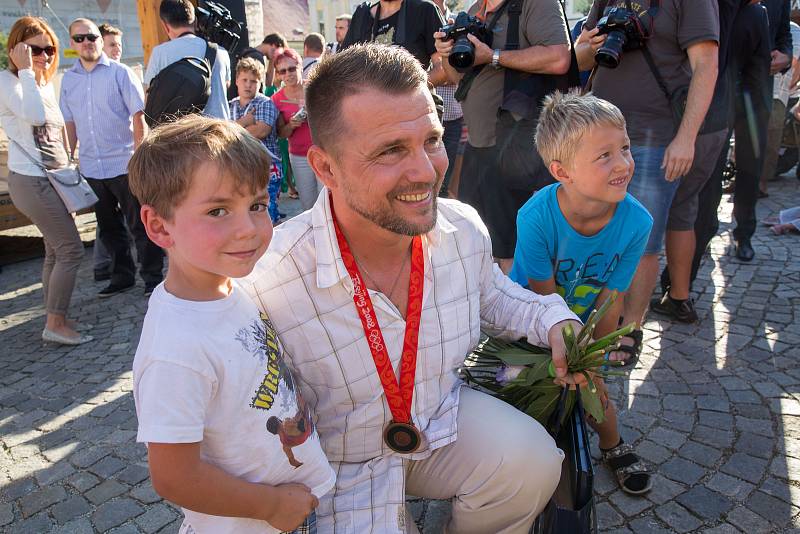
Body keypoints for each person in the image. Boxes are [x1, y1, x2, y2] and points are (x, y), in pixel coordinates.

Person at [243, 43, 582, 534]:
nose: (426, 171)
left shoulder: (461, 227)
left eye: (432, 139)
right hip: (337, 465)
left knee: (531, 462)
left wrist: (552, 318)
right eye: (390, 150)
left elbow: (493, 295)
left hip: (436, 420)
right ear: (325, 169)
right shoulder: (270, 278)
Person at [129, 115, 335, 534]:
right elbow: (174, 476)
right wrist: (272, 505)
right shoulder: (176, 349)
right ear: (158, 226)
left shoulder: (232, 287)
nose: (248, 229)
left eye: (257, 205)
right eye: (218, 210)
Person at [510, 91, 653, 494]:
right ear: (562, 171)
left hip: (583, 324)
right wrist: (562, 350)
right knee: (518, 386)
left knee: (591, 385)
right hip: (531, 318)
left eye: (624, 148)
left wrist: (593, 355)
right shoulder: (535, 217)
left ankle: (613, 444)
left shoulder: (636, 222)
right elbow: (543, 296)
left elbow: (612, 297)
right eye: (604, 156)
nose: (624, 163)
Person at [575, 0, 720, 345]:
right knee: (591, 233)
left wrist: (686, 138)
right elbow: (578, 57)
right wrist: (589, 46)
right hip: (594, 133)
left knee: (643, 243)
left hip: (654, 137)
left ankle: (629, 329)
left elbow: (706, 65)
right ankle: (588, 321)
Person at [434, 0, 572, 274]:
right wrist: (447, 54)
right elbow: (456, 76)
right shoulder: (474, 11)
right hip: (478, 146)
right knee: (479, 243)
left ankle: (524, 310)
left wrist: (493, 56)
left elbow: (559, 58)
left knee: (512, 247)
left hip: (516, 146)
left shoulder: (536, 4)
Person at [0, 16, 91, 346]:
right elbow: (35, 117)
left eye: (49, 49)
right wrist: (25, 70)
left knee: (54, 250)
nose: (44, 56)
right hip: (31, 181)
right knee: (71, 250)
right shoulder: (8, 82)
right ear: (17, 49)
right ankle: (54, 322)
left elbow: (55, 134)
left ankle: (55, 314)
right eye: (35, 49)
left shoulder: (38, 83)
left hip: (52, 179)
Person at [61, 18, 165, 298]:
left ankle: (153, 278)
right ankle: (122, 277)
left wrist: (138, 155)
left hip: (124, 163)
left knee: (140, 224)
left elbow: (138, 114)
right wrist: (70, 156)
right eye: (80, 38)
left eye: (91, 37)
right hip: (92, 166)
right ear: (72, 43)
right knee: (108, 228)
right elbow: (69, 121)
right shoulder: (69, 80)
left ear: (99, 38)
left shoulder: (120, 73)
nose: (87, 42)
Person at [144, 0, 231, 120]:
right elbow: (226, 86)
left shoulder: (160, 53)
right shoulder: (220, 52)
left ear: (165, 26)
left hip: (184, 133)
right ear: (195, 21)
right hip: (221, 131)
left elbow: (149, 99)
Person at [229, 57, 282, 223]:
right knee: (247, 208)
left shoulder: (265, 103)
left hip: (267, 165)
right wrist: (244, 122)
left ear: (260, 83)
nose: (248, 85)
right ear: (236, 80)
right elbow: (221, 134)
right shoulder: (230, 105)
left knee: (267, 207)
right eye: (244, 80)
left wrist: (232, 128)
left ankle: (273, 247)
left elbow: (261, 131)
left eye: (253, 81)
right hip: (240, 166)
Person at [341, 0, 446, 82]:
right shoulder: (362, 15)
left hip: (412, 106)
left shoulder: (424, 10)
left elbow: (442, 68)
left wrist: (411, 89)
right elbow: (343, 69)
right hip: (370, 105)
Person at [272, 49, 319, 211]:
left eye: (292, 69)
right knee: (308, 205)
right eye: (282, 71)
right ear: (278, 74)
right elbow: (281, 134)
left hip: (323, 151)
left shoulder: (315, 89)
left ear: (300, 67)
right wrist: (291, 125)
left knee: (329, 201)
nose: (288, 74)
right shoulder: (276, 99)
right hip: (300, 157)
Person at [758, 2, 796, 197]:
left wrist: (786, 56)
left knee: (769, 136)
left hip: (772, 87)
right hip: (733, 80)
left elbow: (786, 39)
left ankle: (761, 183)